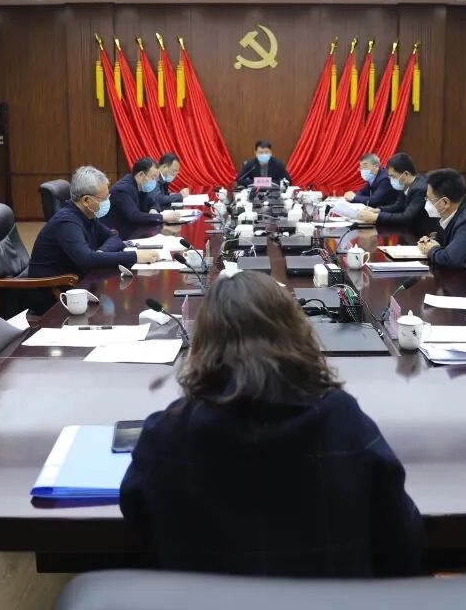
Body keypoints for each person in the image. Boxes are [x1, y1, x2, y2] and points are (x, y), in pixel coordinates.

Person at [120, 271, 423, 578]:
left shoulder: (169, 432)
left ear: (204, 344)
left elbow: (138, 522)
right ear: (295, 333)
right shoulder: (341, 420)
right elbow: (402, 539)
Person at [29, 166, 160, 278]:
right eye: (104, 198)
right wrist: (135, 256)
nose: (107, 202)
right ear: (86, 200)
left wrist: (101, 252)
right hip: (53, 289)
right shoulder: (66, 222)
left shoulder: (87, 214)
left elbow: (113, 236)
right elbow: (86, 260)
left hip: (77, 281)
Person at [356, 153, 434, 235]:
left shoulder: (419, 189)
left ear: (405, 174)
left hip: (421, 234)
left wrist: (376, 217)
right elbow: (398, 206)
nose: (391, 180)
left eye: (393, 176)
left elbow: (407, 217)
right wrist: (378, 210)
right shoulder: (405, 184)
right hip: (408, 231)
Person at [106, 157, 180, 239]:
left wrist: (153, 210)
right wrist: (163, 217)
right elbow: (135, 216)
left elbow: (153, 202)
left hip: (133, 231)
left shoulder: (140, 186)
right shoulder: (122, 190)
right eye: (153, 178)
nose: (155, 182)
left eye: (156, 179)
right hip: (117, 236)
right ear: (141, 175)